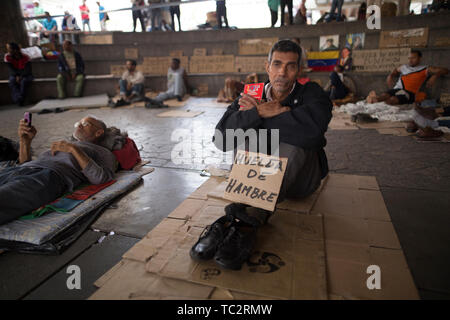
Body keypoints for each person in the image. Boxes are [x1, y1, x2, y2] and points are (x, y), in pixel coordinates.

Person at [190, 40, 332, 270]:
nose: (282, 73)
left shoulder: (312, 93)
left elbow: (314, 133)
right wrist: (258, 112)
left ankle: (243, 215)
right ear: (267, 67)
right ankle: (241, 221)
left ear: (299, 70)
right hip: (259, 181)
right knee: (245, 134)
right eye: (277, 64)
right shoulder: (251, 95)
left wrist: (259, 116)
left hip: (300, 182)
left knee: (298, 139)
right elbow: (222, 139)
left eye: (290, 66)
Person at [0, 116, 116, 225]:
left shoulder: (103, 152)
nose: (79, 126)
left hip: (48, 176)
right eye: (78, 123)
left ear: (99, 132)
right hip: (20, 169)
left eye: (85, 124)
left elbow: (101, 178)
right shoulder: (67, 144)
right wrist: (25, 141)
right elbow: (26, 163)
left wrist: (73, 149)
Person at [366, 50, 449, 105]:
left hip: (409, 93)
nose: (410, 60)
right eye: (409, 58)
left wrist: (435, 76)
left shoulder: (425, 68)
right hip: (397, 89)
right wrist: (390, 75)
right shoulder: (404, 67)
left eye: (413, 58)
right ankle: (375, 100)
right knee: (385, 95)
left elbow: (446, 70)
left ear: (420, 59)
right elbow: (395, 70)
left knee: (393, 99)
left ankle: (378, 101)